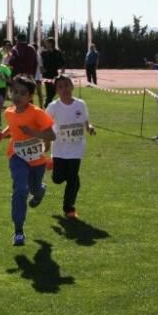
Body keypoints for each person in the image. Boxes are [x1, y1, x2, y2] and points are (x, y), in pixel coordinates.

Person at [0, 75, 56, 245]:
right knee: (20, 190)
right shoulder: (9, 112)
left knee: (34, 189)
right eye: (14, 92)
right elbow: (13, 126)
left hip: (37, 159)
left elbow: (51, 135)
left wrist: (33, 133)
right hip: (17, 156)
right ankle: (18, 230)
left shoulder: (37, 113)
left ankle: (39, 190)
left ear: (30, 97)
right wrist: (2, 134)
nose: (17, 96)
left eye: (22, 93)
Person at [46, 75, 96, 219]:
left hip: (76, 148)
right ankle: (53, 164)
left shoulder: (80, 104)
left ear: (72, 87)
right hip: (59, 149)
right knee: (58, 179)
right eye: (60, 87)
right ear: (56, 90)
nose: (65, 89)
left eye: (67, 85)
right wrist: (47, 141)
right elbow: (45, 123)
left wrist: (90, 128)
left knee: (73, 178)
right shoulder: (53, 106)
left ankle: (69, 208)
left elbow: (85, 120)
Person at [8, 32, 40, 105]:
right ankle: (31, 113)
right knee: (29, 95)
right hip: (30, 76)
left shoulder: (15, 48)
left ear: (18, 40)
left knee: (17, 95)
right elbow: (36, 63)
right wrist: (33, 74)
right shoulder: (32, 48)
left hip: (19, 77)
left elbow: (11, 62)